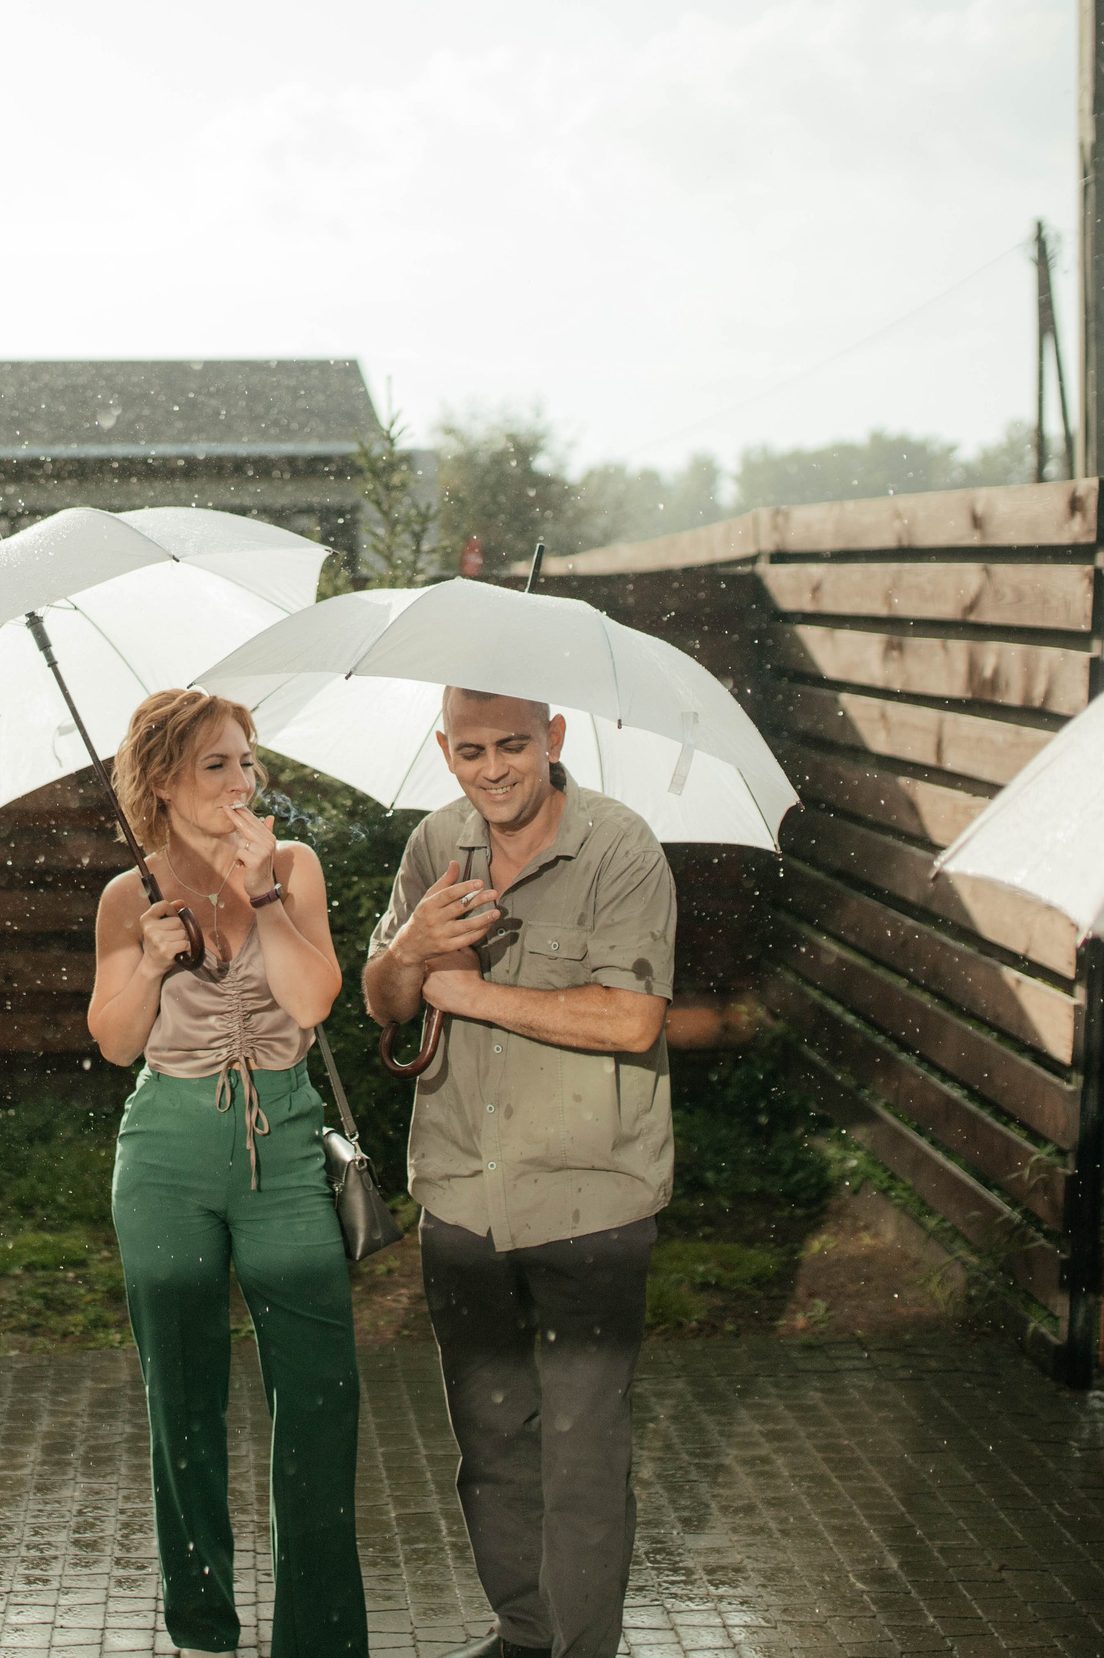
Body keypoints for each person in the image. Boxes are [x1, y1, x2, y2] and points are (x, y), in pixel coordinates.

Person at [362, 689, 675, 1658]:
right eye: (468, 750)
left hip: (588, 1195)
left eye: (510, 746)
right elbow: (382, 1003)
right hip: (460, 1190)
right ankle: (524, 1632)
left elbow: (632, 1021)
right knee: (491, 1443)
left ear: (554, 739)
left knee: (581, 1451)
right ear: (442, 749)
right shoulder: (433, 845)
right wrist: (411, 951)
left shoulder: (621, 849)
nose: (490, 769)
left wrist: (474, 993)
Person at [87, 687, 366, 1658]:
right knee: (182, 1395)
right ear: (162, 780)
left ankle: (322, 1640)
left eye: (247, 762)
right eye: (217, 765)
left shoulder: (292, 865)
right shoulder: (129, 895)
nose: (244, 782)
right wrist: (149, 965)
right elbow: (117, 1044)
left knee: (322, 1398)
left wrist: (264, 900)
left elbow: (317, 998)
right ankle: (201, 1623)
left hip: (285, 1142)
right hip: (166, 1147)